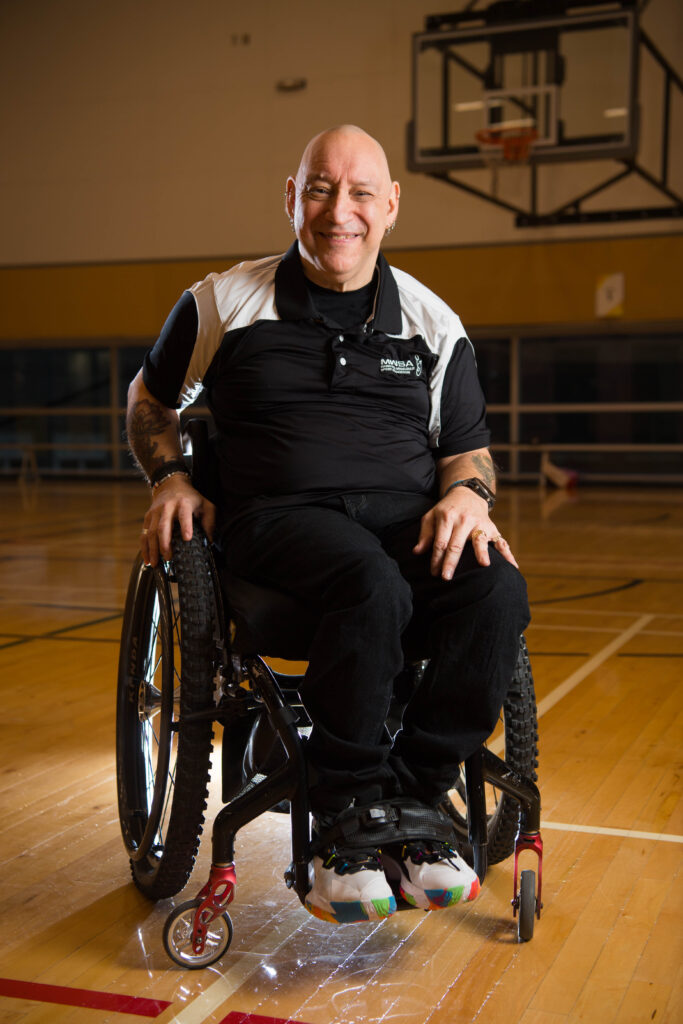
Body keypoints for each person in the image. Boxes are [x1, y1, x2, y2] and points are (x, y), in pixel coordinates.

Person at [126, 124, 530, 925]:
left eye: (357, 193)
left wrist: (468, 497)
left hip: (403, 523)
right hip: (279, 525)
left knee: (496, 593)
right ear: (290, 198)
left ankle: (412, 801)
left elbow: (468, 451)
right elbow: (149, 398)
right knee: (368, 583)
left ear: (389, 207)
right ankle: (346, 813)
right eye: (318, 188)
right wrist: (171, 476)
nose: (337, 210)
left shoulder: (430, 320)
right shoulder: (222, 301)